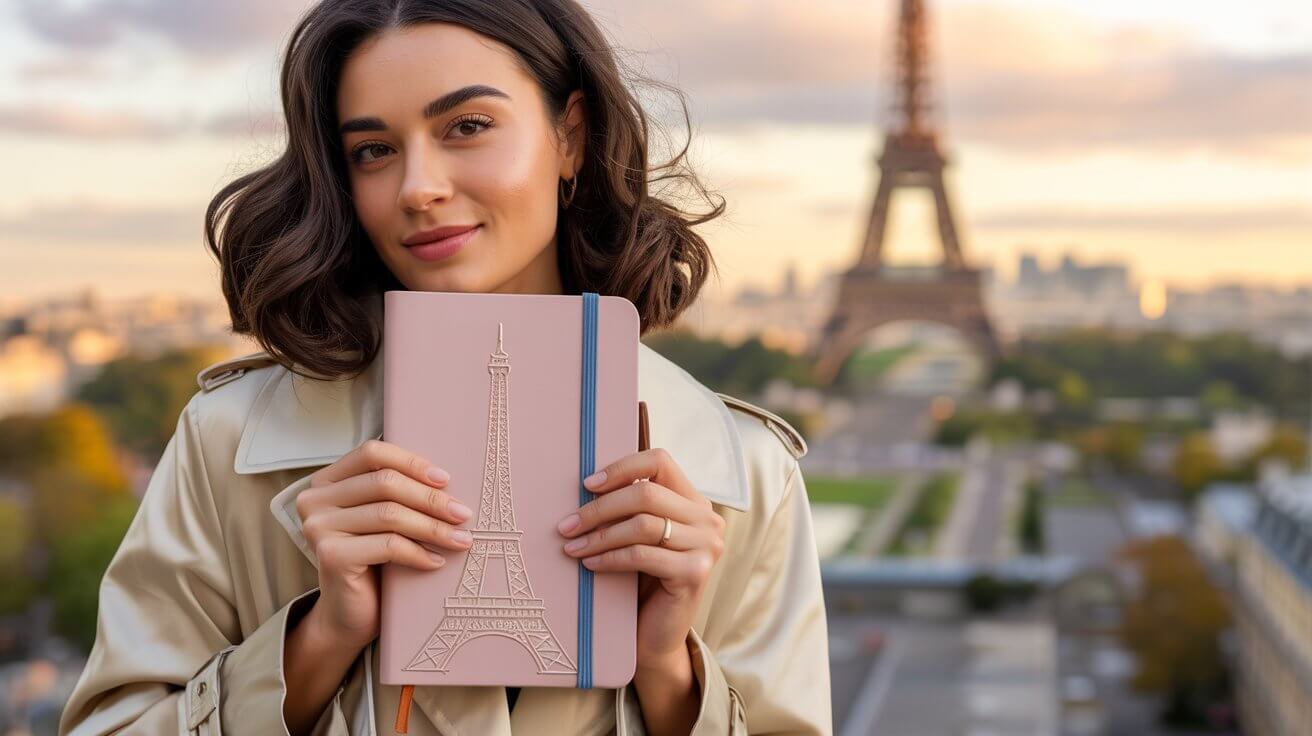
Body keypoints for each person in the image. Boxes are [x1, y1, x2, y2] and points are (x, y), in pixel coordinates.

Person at [57, 1, 831, 734]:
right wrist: (318, 640)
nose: (417, 188)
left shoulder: (748, 479)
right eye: (373, 151)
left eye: (467, 125)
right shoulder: (228, 446)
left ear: (572, 135)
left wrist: (667, 670)